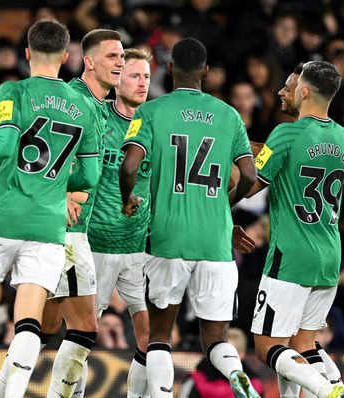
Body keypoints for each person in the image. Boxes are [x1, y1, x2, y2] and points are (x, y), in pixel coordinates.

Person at [0, 20, 100, 398]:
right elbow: (89, 176)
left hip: (3, 216)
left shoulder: (14, 90)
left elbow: (5, 145)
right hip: (48, 225)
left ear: (27, 53)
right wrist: (56, 183)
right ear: (65, 56)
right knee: (28, 321)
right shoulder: (84, 108)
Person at [119, 38, 259, 398]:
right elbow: (248, 176)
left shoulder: (150, 112)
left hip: (168, 238)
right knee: (216, 338)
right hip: (215, 242)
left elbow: (130, 165)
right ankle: (236, 373)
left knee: (160, 335)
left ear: (169, 69)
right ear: (206, 72)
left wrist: (126, 199)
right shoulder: (229, 115)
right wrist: (224, 207)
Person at [244, 61, 344, 398]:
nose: (288, 89)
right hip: (329, 255)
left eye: (293, 85)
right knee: (301, 343)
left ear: (305, 91)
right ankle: (337, 385)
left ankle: (326, 389)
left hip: (291, 254)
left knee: (267, 346)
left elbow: (252, 186)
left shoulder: (287, 133)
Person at [34, 29, 124, 398]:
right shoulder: (75, 101)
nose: (119, 62)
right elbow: (38, 157)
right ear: (88, 61)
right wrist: (62, 195)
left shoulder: (97, 106)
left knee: (44, 325)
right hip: (65, 229)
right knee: (84, 327)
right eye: (111, 56)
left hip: (70, 229)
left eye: (122, 56)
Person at [86, 48, 152, 398]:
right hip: (96, 244)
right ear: (117, 79)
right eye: (134, 76)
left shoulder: (155, 124)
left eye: (146, 77)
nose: (142, 83)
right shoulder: (97, 119)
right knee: (81, 334)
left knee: (150, 337)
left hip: (139, 248)